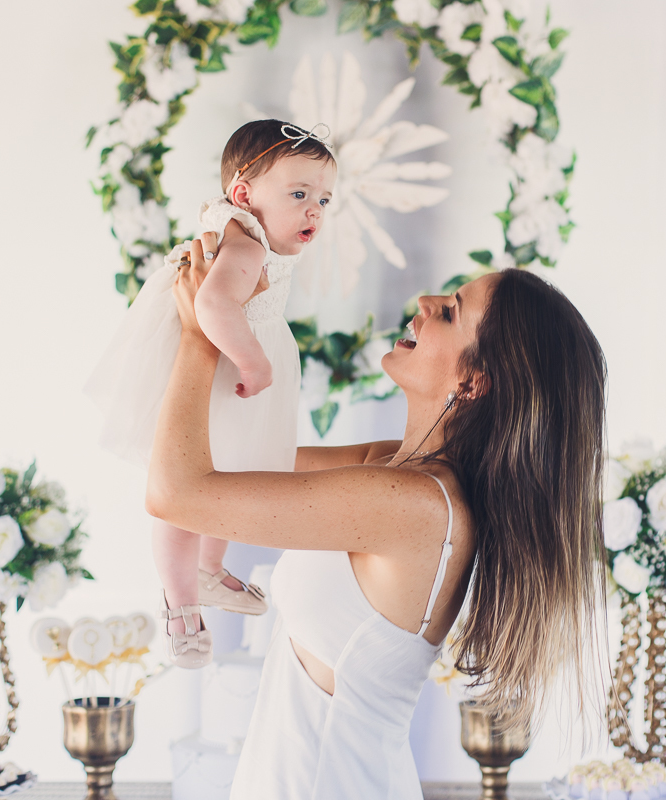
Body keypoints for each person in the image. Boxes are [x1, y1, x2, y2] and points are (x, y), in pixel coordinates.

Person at [147, 235, 609, 798]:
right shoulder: (392, 469)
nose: (425, 300)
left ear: (472, 381)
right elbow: (221, 453)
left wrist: (201, 335)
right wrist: (233, 317)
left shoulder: (414, 505)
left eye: (450, 311)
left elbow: (177, 493)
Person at [86, 120, 336, 667]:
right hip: (217, 376)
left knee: (225, 481)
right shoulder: (244, 245)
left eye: (323, 197)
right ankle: (181, 607)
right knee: (185, 498)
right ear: (244, 194)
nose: (314, 209)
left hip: (225, 376)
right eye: (298, 194)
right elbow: (213, 306)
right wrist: (252, 358)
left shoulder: (250, 237)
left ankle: (206, 571)